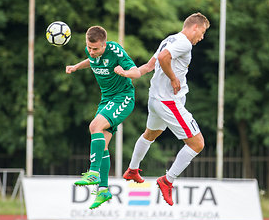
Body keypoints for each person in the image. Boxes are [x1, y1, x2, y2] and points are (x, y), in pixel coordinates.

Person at [122, 13, 210, 206]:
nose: (201, 38)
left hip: (154, 99)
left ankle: (133, 169)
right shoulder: (185, 43)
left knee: (149, 135)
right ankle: (167, 180)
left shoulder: (169, 39)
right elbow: (163, 58)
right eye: (202, 32)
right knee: (197, 144)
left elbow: (148, 66)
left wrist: (129, 73)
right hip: (168, 101)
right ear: (195, 27)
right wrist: (173, 78)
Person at [66, 25, 141, 209]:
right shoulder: (91, 51)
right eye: (89, 48)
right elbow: (92, 61)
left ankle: (94, 172)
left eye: (95, 49)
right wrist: (76, 66)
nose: (91, 52)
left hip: (123, 97)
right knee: (103, 144)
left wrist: (124, 72)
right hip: (106, 100)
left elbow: (137, 72)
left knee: (94, 127)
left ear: (104, 44)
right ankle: (104, 190)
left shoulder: (115, 50)